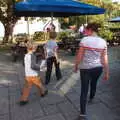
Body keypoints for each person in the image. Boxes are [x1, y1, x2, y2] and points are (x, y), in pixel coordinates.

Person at [74, 22, 109, 119]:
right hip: (98, 68)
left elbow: (80, 55)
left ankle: (82, 114)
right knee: (94, 83)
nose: (85, 32)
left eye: (86, 30)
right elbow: (105, 58)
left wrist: (76, 66)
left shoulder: (85, 40)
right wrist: (107, 72)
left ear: (90, 30)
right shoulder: (103, 42)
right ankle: (92, 97)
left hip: (85, 69)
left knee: (84, 90)